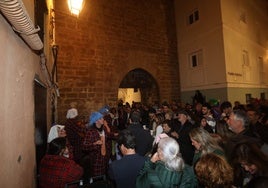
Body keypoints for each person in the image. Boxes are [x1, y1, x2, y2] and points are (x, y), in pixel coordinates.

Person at [82, 111, 111, 177]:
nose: (103, 119)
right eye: (100, 118)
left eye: (102, 118)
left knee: (105, 175)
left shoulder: (104, 129)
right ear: (95, 121)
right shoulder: (90, 132)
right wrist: (94, 144)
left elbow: (108, 136)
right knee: (97, 177)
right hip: (96, 160)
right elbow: (84, 146)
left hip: (105, 158)